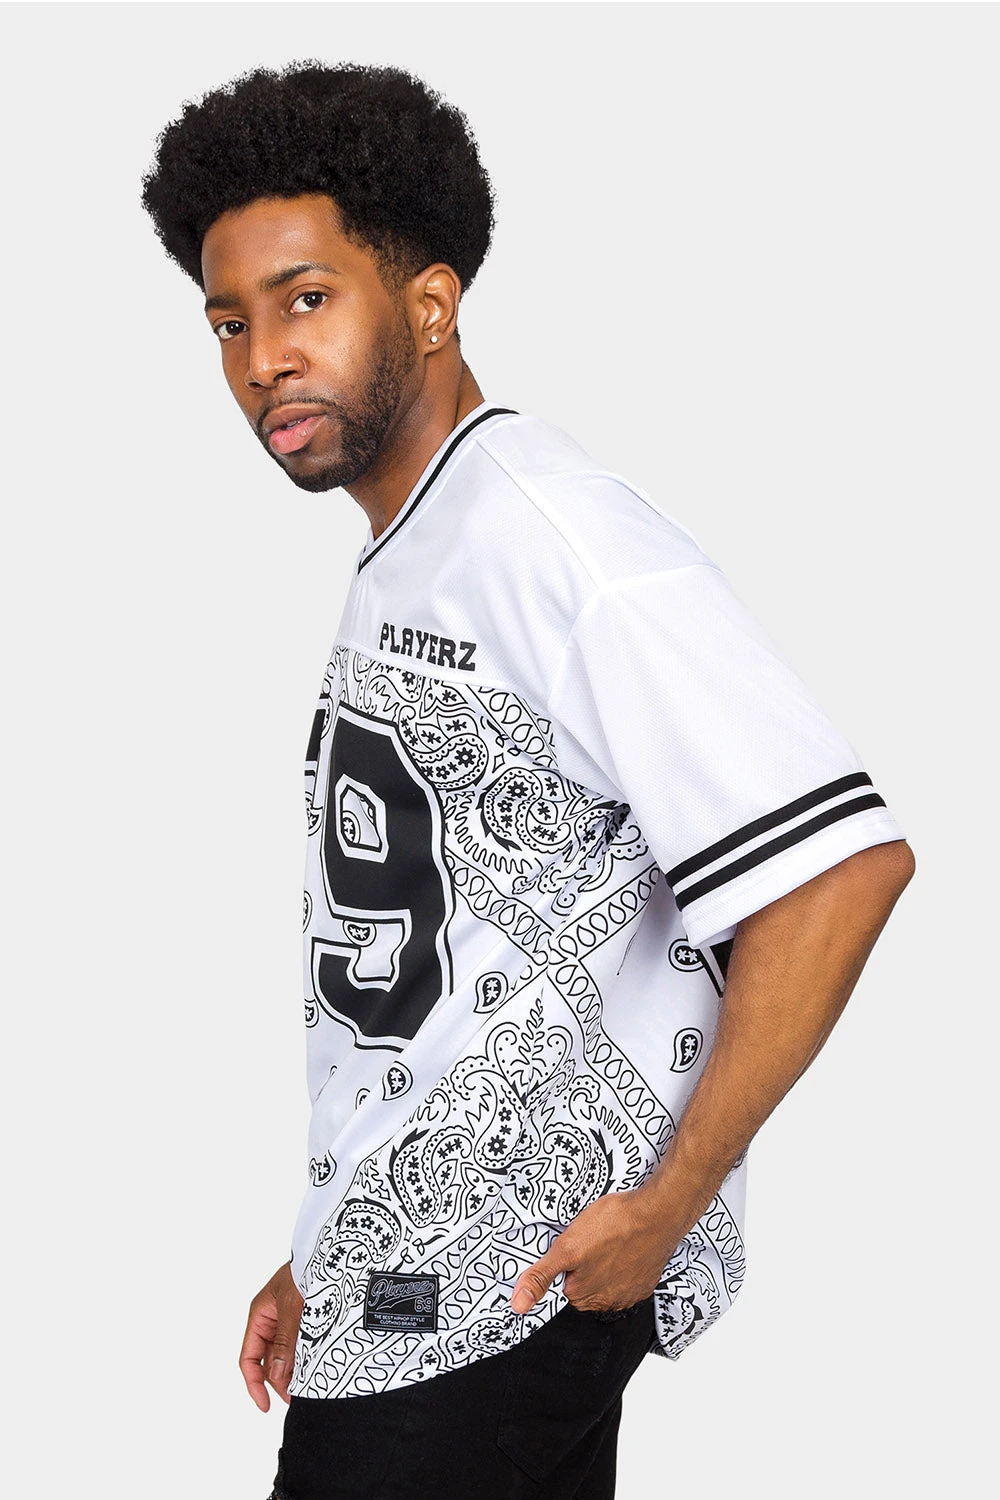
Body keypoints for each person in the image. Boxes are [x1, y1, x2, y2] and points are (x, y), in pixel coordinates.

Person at [142, 62, 915, 1500]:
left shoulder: (559, 542)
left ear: (430, 304)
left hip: (509, 1288)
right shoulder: (419, 548)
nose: (262, 360)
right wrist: (329, 1246)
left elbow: (840, 872)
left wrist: (673, 1200)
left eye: (305, 300)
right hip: (407, 1279)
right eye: (230, 321)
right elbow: (445, 962)